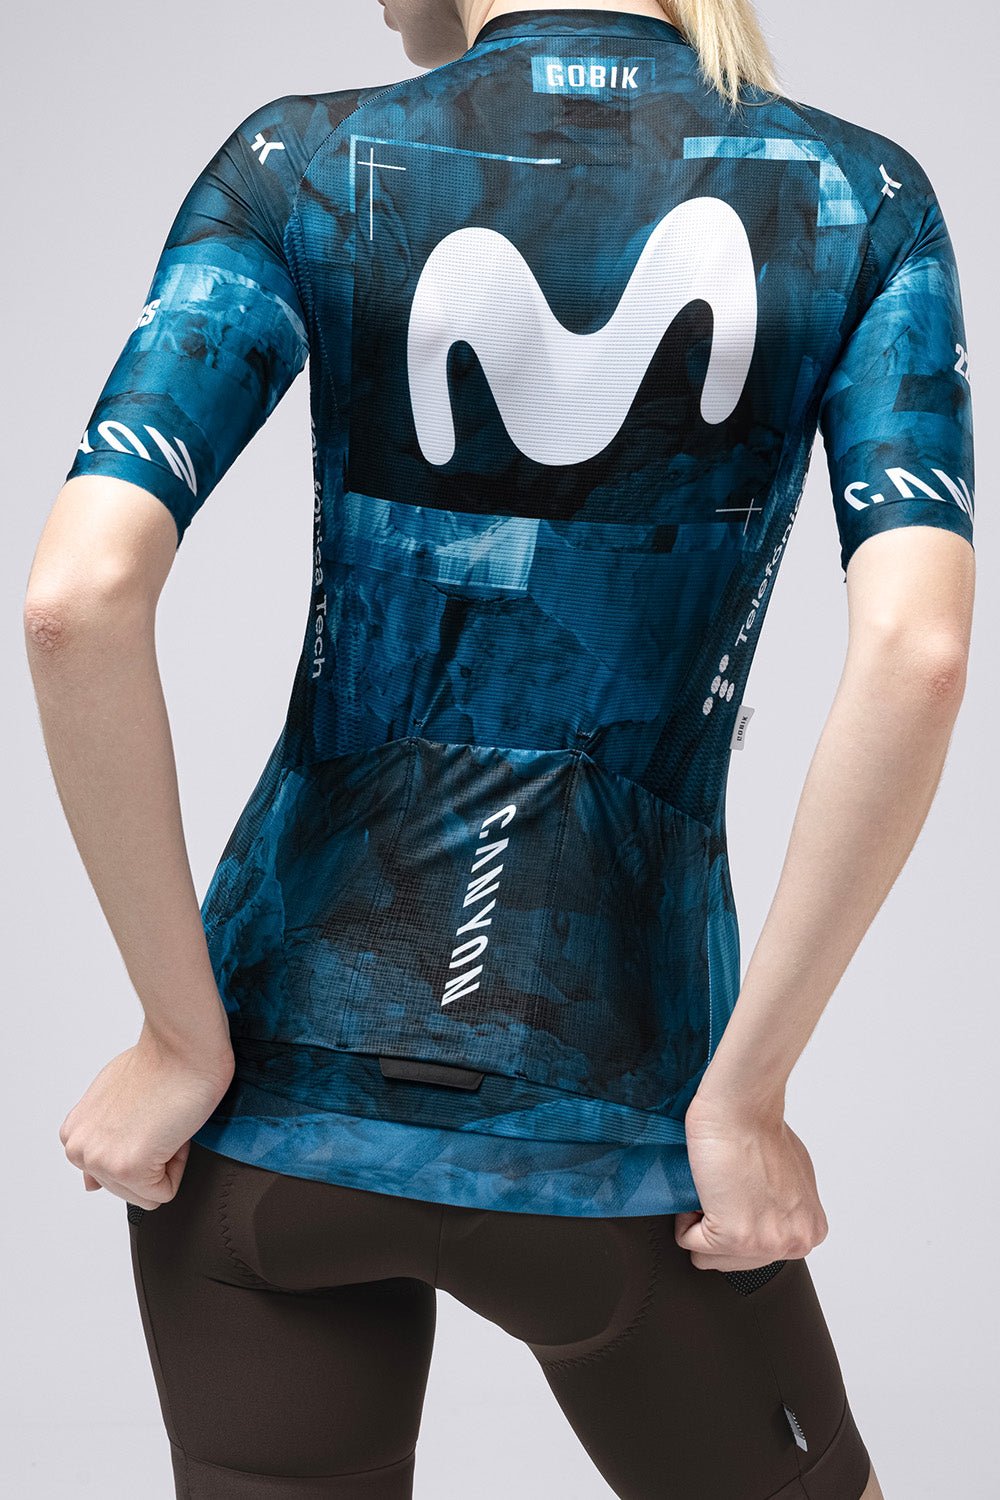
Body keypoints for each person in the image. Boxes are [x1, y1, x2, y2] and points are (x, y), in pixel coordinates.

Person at [23, 0, 975, 1495]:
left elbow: (76, 599)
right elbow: (919, 653)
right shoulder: (859, 200)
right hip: (625, 1121)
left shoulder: (297, 164)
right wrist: (746, 1096)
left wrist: (175, 1036)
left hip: (266, 1112)